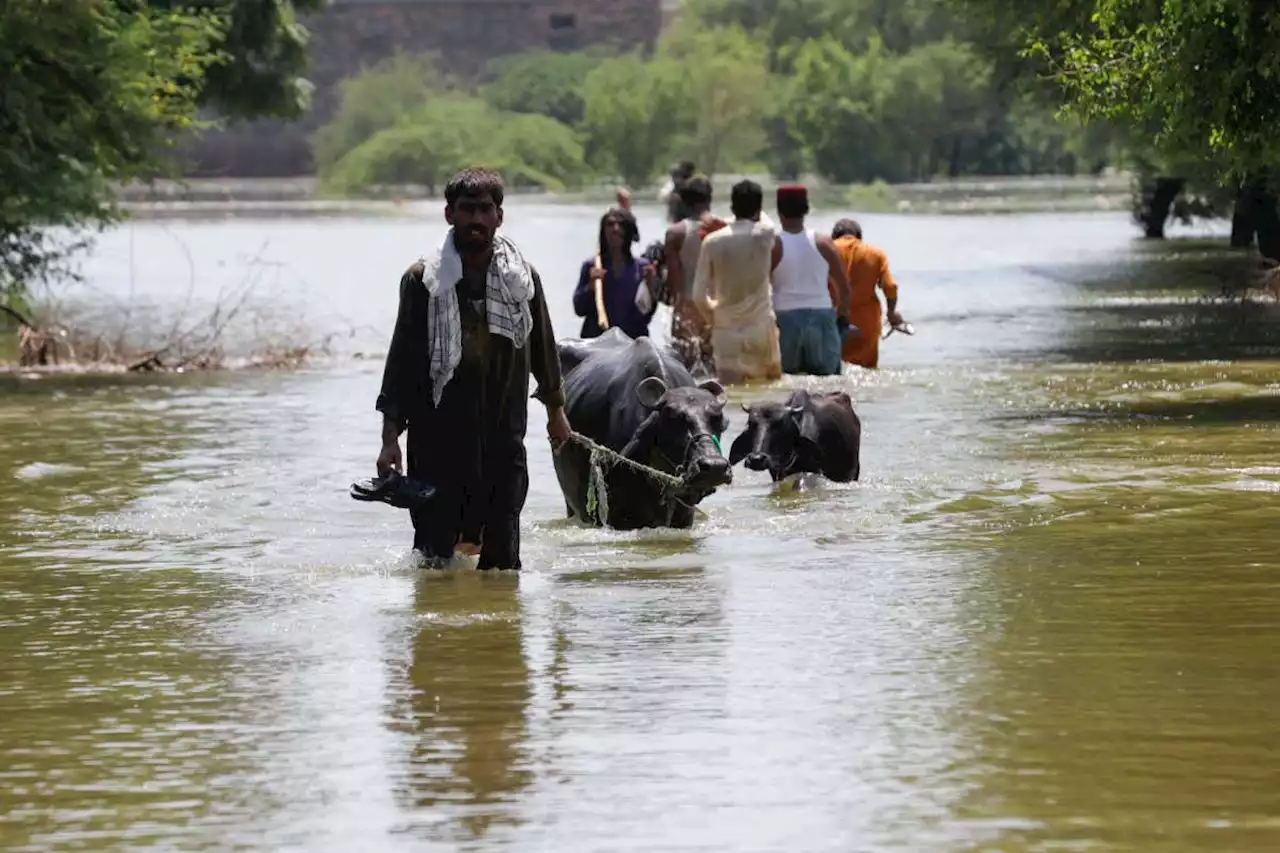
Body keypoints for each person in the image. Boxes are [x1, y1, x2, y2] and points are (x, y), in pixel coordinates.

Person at [375, 167, 572, 570]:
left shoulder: (522, 282)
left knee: (503, 568)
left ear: (500, 216)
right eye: (468, 210)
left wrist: (556, 413)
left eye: (486, 210)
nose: (477, 220)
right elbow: (401, 363)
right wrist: (389, 438)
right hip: (437, 443)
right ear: (450, 214)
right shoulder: (423, 282)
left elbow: (543, 349)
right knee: (434, 562)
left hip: (503, 440)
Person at [691, 179, 784, 384]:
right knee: (771, 391)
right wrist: (726, 222)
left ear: (732, 207)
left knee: (731, 394)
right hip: (761, 328)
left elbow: (698, 295)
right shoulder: (764, 234)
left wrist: (713, 318)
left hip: (726, 332)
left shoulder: (712, 241)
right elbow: (766, 221)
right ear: (759, 208)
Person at [770, 185, 853, 376]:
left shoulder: (773, 246)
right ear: (806, 209)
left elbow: (762, 289)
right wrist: (842, 317)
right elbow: (844, 288)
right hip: (822, 319)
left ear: (779, 210)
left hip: (785, 321)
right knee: (828, 385)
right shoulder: (823, 243)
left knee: (787, 387)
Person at [662, 174, 722, 373]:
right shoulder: (723, 229)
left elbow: (675, 282)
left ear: (684, 201)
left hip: (687, 306)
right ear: (709, 198)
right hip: (718, 306)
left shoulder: (676, 233)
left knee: (684, 369)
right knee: (716, 371)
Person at [573, 207, 657, 339]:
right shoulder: (591, 266)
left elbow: (645, 314)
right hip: (598, 341)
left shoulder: (642, 268)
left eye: (621, 225)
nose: (615, 229)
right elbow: (579, 309)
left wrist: (651, 289)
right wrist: (590, 287)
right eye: (610, 224)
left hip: (631, 341)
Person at [830, 218, 905, 369]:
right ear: (859, 237)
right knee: (867, 373)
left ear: (834, 236)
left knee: (831, 374)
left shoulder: (827, 250)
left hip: (833, 322)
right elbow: (890, 286)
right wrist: (891, 314)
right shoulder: (875, 254)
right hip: (867, 326)